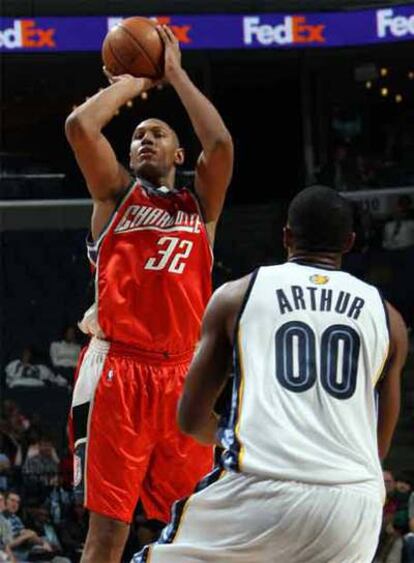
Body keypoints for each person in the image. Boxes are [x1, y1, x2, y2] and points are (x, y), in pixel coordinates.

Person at [134, 186, 408, 562]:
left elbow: (190, 418)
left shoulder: (236, 296)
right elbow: (377, 448)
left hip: (262, 488)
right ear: (349, 242)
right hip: (354, 503)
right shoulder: (389, 319)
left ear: (286, 236)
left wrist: (249, 438)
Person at [65, 23, 233, 563]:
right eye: (138, 133)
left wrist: (175, 74)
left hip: (183, 376)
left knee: (193, 528)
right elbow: (79, 126)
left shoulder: (199, 209)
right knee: (108, 535)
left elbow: (221, 143)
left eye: (157, 133)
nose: (144, 139)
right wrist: (133, 81)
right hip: (120, 371)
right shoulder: (115, 195)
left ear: (179, 154)